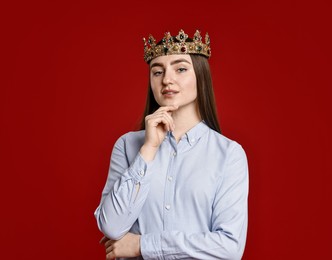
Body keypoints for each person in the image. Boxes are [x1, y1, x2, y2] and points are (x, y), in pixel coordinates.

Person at [94, 29, 249, 260]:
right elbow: (112, 226)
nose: (167, 79)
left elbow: (229, 247)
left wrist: (142, 246)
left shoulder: (228, 155)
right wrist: (148, 150)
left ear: (200, 75)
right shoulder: (127, 146)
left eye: (181, 69)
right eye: (157, 72)